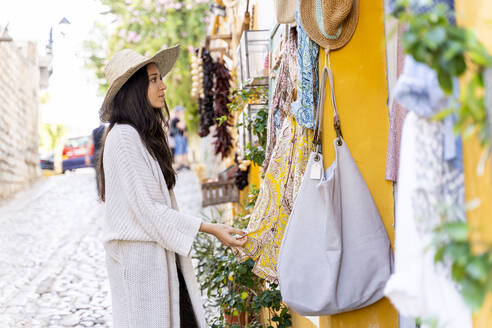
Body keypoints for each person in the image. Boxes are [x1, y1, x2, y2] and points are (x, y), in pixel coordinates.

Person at [96, 46, 247, 327]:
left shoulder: (140, 135)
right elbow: (148, 210)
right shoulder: (124, 138)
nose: (163, 85)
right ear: (134, 89)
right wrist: (212, 229)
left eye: (159, 78)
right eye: (153, 79)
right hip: (142, 263)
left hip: (159, 258)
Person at [85, 123, 106, 196]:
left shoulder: (94, 131)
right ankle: (107, 191)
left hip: (96, 153)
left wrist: (87, 156)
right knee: (106, 172)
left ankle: (100, 193)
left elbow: (89, 143)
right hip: (105, 151)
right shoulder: (107, 129)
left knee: (98, 174)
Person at [171, 105, 190, 170]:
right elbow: (182, 126)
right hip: (178, 136)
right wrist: (182, 119)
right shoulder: (175, 119)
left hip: (182, 137)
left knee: (184, 150)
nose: (182, 113)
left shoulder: (179, 119)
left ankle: (185, 164)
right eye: (181, 111)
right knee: (179, 149)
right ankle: (178, 164)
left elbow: (185, 129)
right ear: (177, 112)